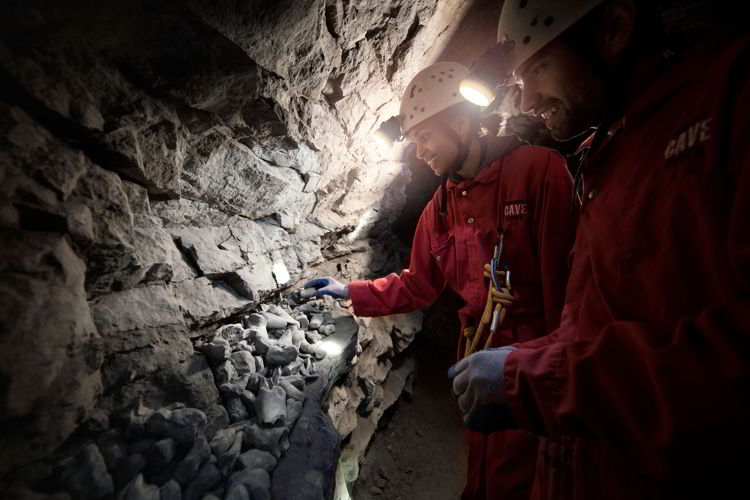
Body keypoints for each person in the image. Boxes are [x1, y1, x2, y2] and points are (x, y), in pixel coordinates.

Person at [450, 1, 750, 498]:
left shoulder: (731, 103)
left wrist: (539, 378)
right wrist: (530, 359)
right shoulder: (609, 152)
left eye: (537, 69)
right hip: (586, 465)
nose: (526, 102)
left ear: (614, 27)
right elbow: (600, 318)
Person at [306, 62, 577, 499]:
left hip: (532, 363)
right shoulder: (440, 209)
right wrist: (349, 291)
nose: (419, 152)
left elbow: (569, 294)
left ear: (461, 121)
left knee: (529, 479)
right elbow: (419, 284)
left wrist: (553, 377)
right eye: (413, 142)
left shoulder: (536, 172)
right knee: (485, 469)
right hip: (477, 358)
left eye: (426, 137)